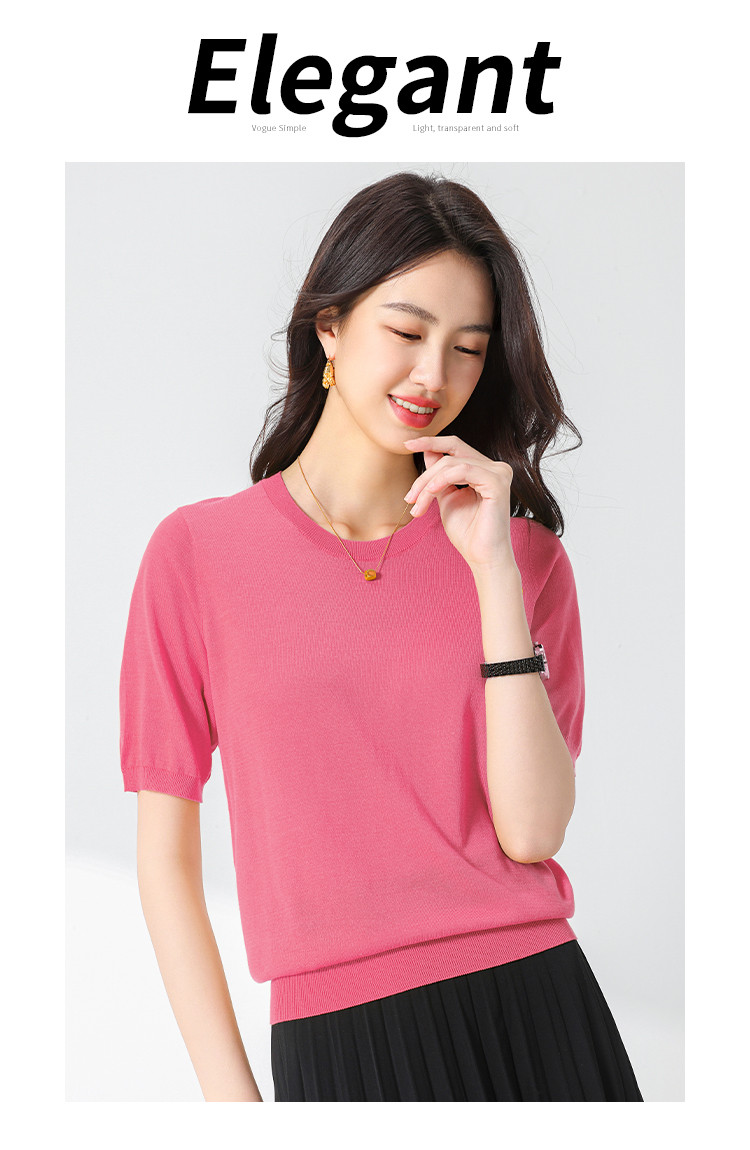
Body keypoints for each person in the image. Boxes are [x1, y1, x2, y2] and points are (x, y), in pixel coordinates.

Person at [119, 171, 644, 1102]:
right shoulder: (196, 555)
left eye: (468, 349)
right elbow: (164, 862)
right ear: (330, 326)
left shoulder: (522, 560)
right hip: (338, 1038)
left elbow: (532, 830)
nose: (433, 376)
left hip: (540, 1008)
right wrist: (233, 1107)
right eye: (406, 332)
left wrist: (491, 571)